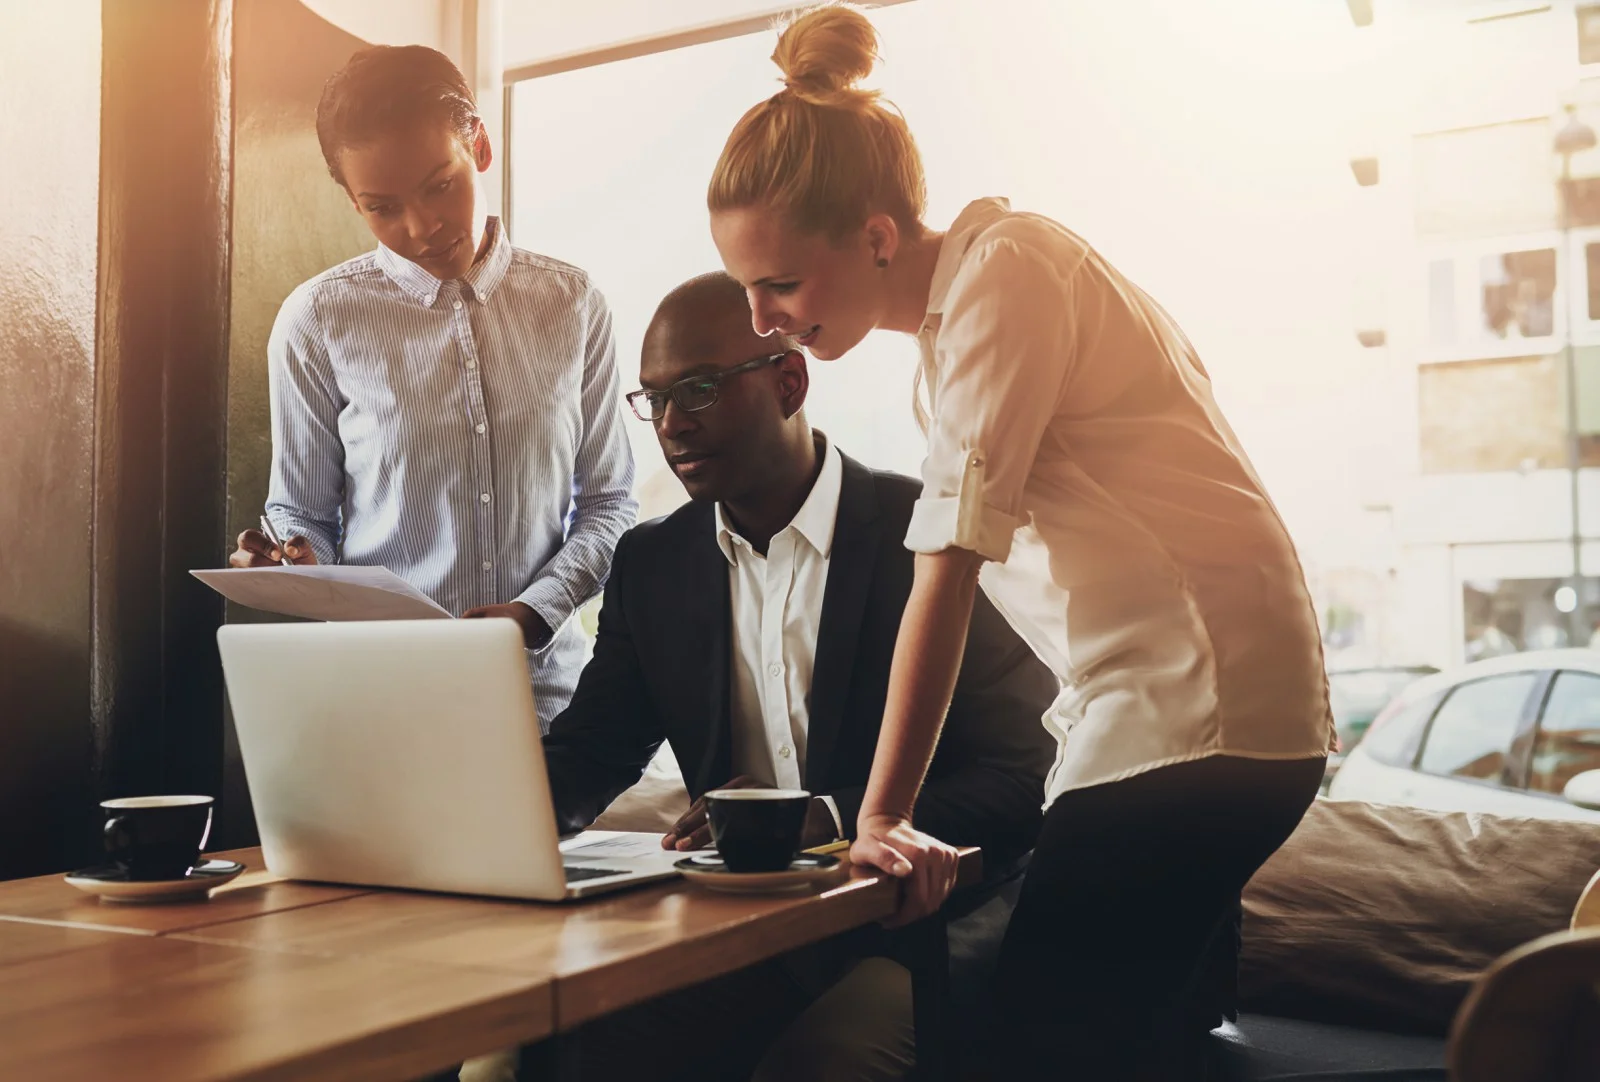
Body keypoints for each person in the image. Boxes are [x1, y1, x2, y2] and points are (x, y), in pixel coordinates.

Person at [705, 6, 1335, 1078]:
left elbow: (946, 570)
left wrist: (885, 814)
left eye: (780, 284)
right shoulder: (964, 322)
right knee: (1101, 1037)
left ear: (875, 234)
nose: (762, 318)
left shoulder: (1007, 277)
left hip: (1195, 715)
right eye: (747, 289)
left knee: (1030, 1043)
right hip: (1179, 715)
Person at [532, 271, 1058, 1082]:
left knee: (823, 1061)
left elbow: (1025, 773)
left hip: (929, 923)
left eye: (699, 390)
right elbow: (593, 753)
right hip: (749, 932)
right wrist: (476, 820)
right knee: (571, 1043)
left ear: (789, 381)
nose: (671, 425)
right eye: (656, 400)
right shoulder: (653, 562)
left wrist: (827, 817)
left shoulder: (929, 540)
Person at [229, 45, 635, 721]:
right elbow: (301, 512)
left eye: (439, 185)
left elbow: (612, 502)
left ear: (478, 145)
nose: (420, 228)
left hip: (545, 704)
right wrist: (288, 561)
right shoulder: (317, 319)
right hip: (382, 703)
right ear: (352, 201)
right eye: (381, 207)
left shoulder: (573, 303)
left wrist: (537, 614)